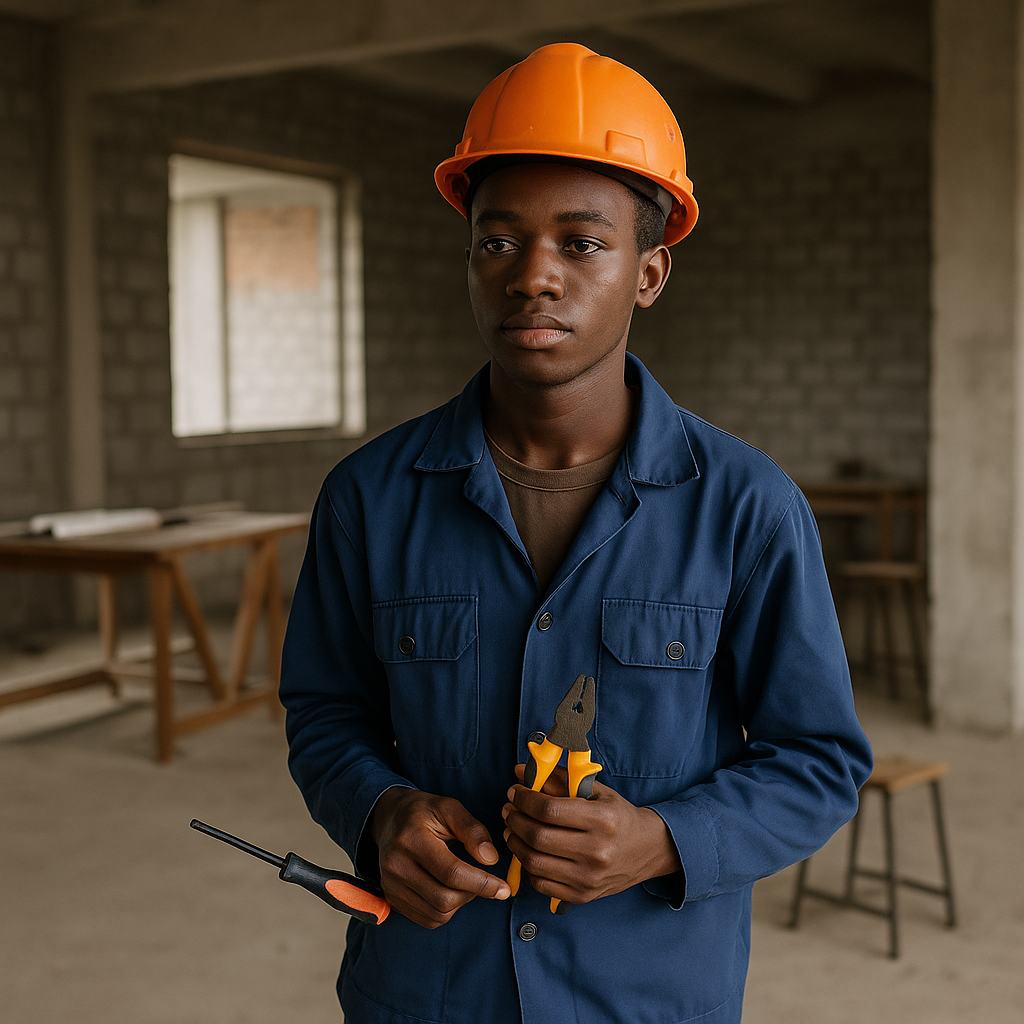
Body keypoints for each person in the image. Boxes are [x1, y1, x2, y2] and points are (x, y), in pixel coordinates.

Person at [280, 42, 872, 1024]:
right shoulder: (369, 497)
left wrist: (663, 839)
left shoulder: (746, 505)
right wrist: (384, 812)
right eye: (497, 240)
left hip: (646, 996)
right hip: (427, 993)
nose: (532, 277)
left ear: (648, 272)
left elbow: (817, 761)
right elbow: (326, 714)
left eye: (581, 243)